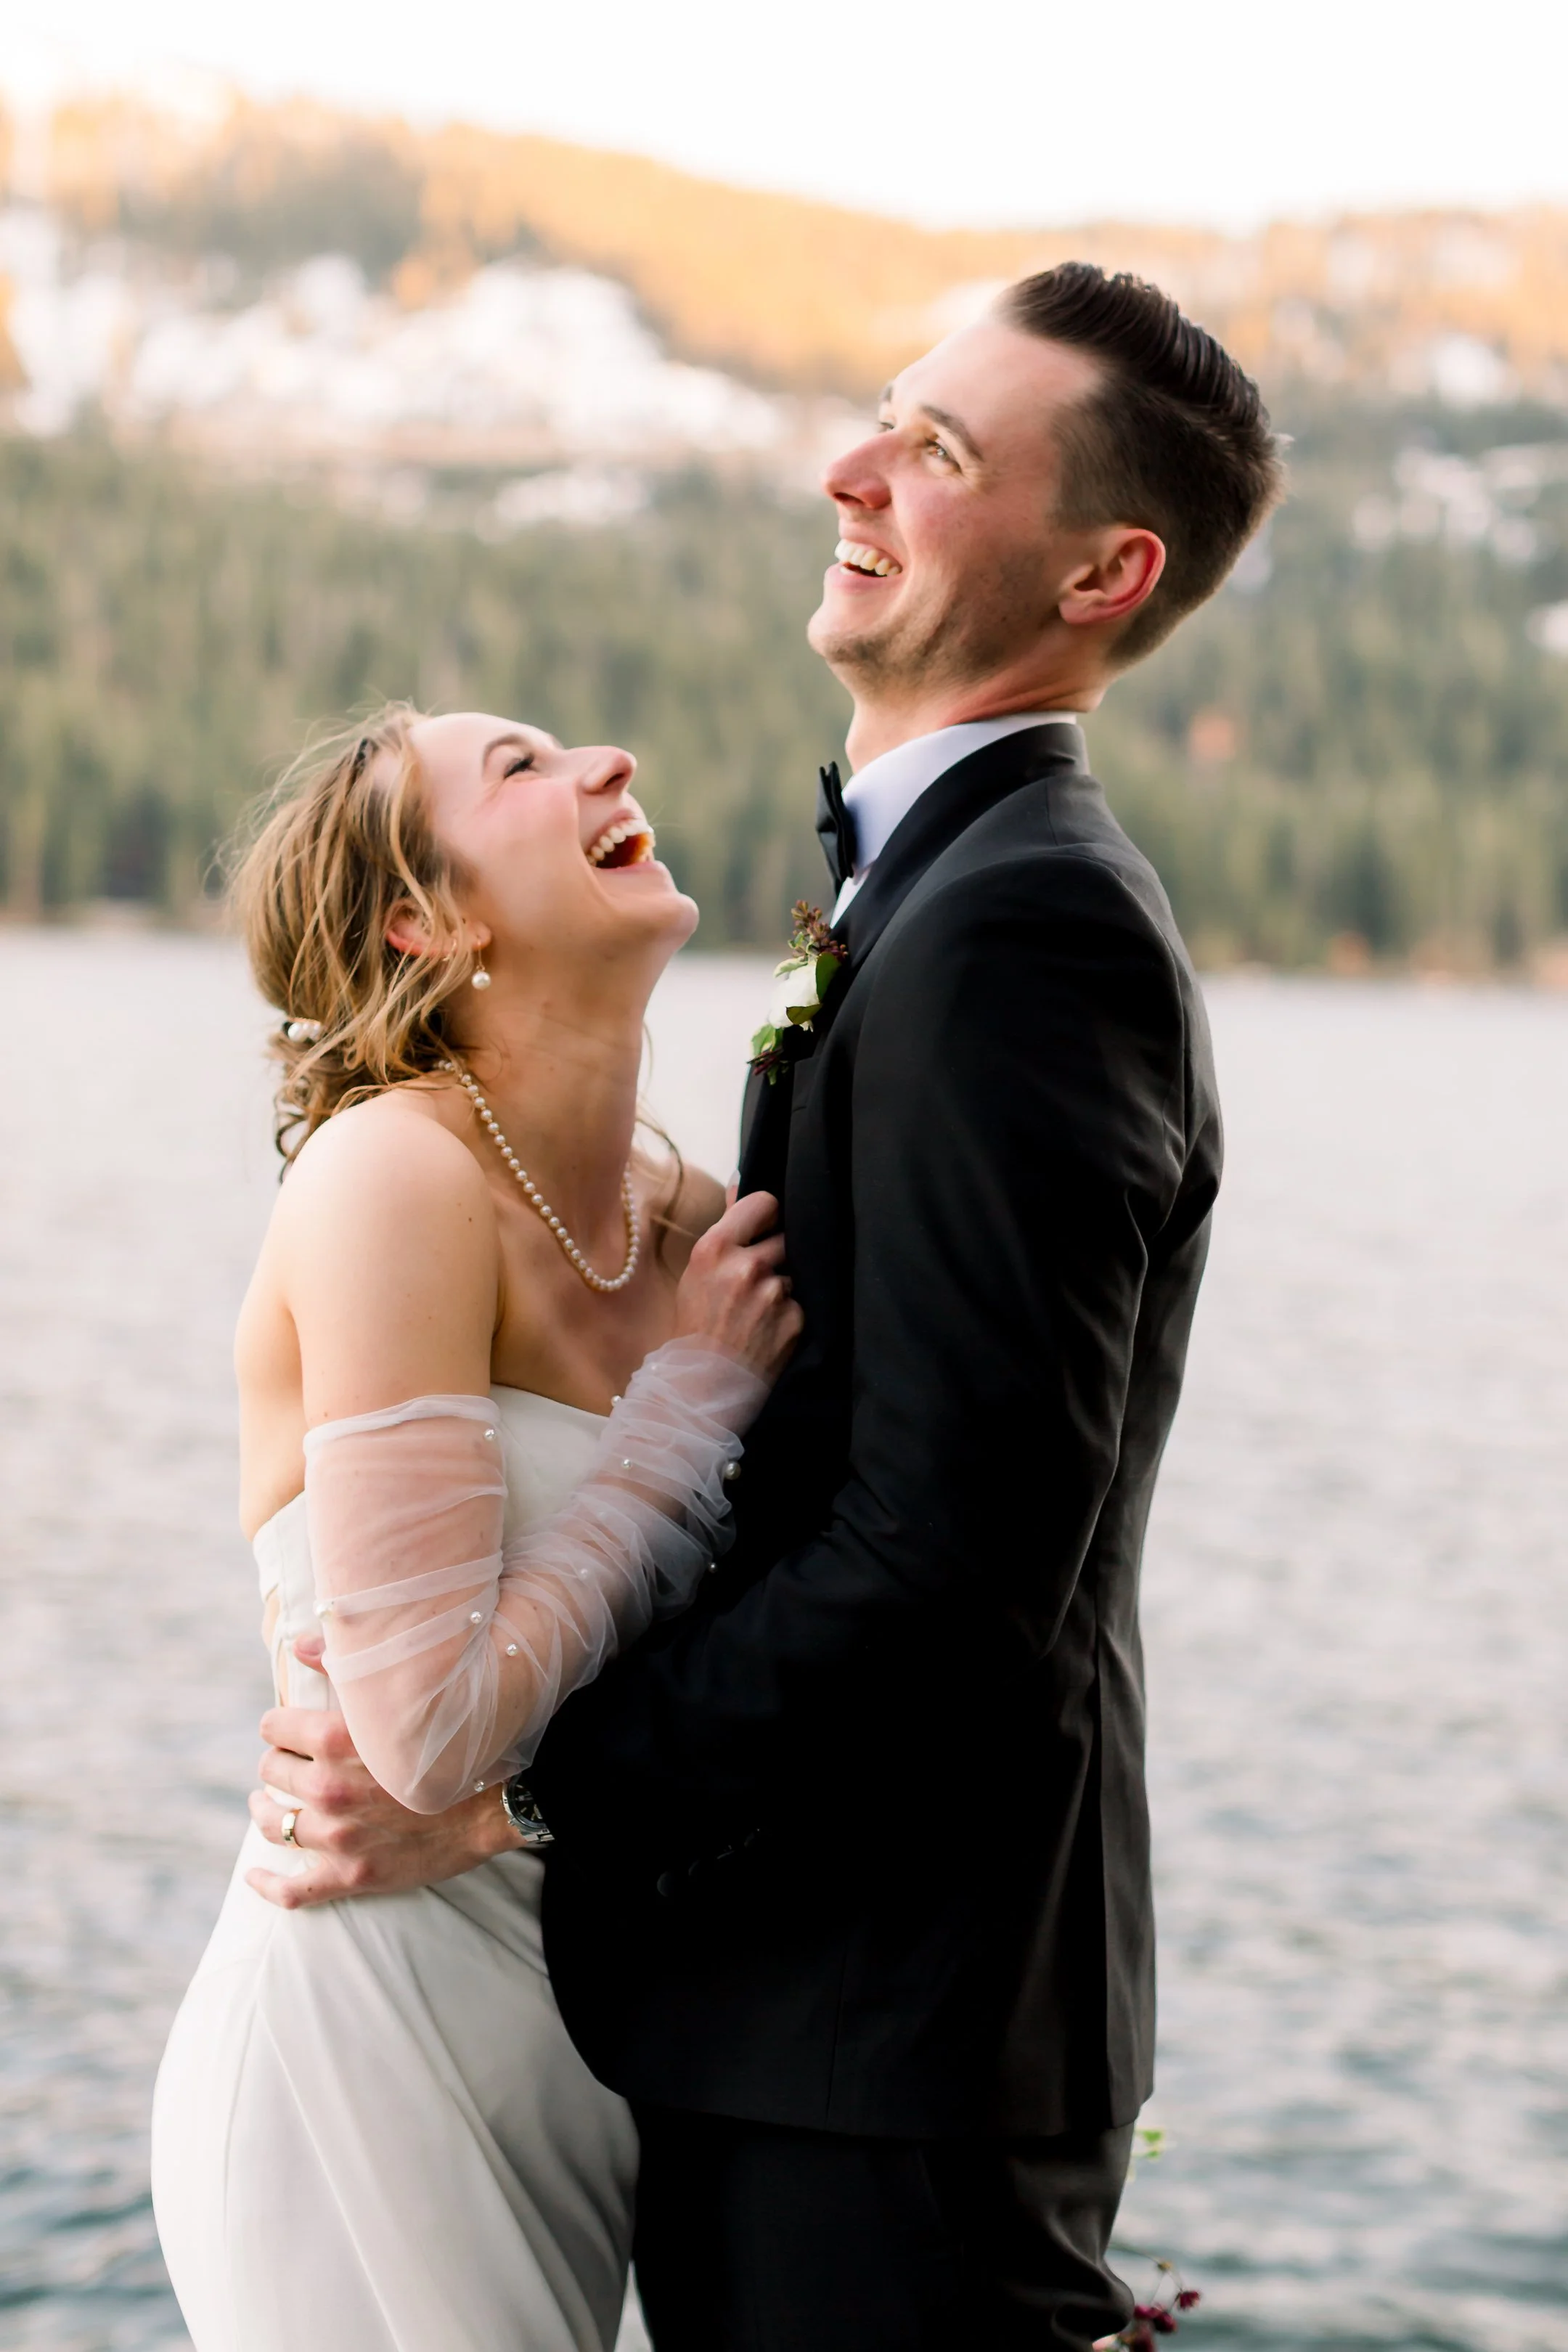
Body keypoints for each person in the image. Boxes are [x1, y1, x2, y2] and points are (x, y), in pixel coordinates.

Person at [245, 262, 1283, 2349]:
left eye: (942, 453)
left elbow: (953, 1572)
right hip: (764, 2028)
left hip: (891, 2050)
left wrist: (509, 1799)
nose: (852, 469)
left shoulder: (1025, 931)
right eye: (888, 416)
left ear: (1109, 572)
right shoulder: (920, 908)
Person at [150, 704, 801, 2352]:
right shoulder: (394, 1182)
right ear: (424, 924)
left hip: (591, 2066)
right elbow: (427, 1727)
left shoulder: (706, 1233)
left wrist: (526, 1821)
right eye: (523, 767)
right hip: (362, 2036)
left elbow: (780, 1662)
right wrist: (684, 1415)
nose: (613, 766)